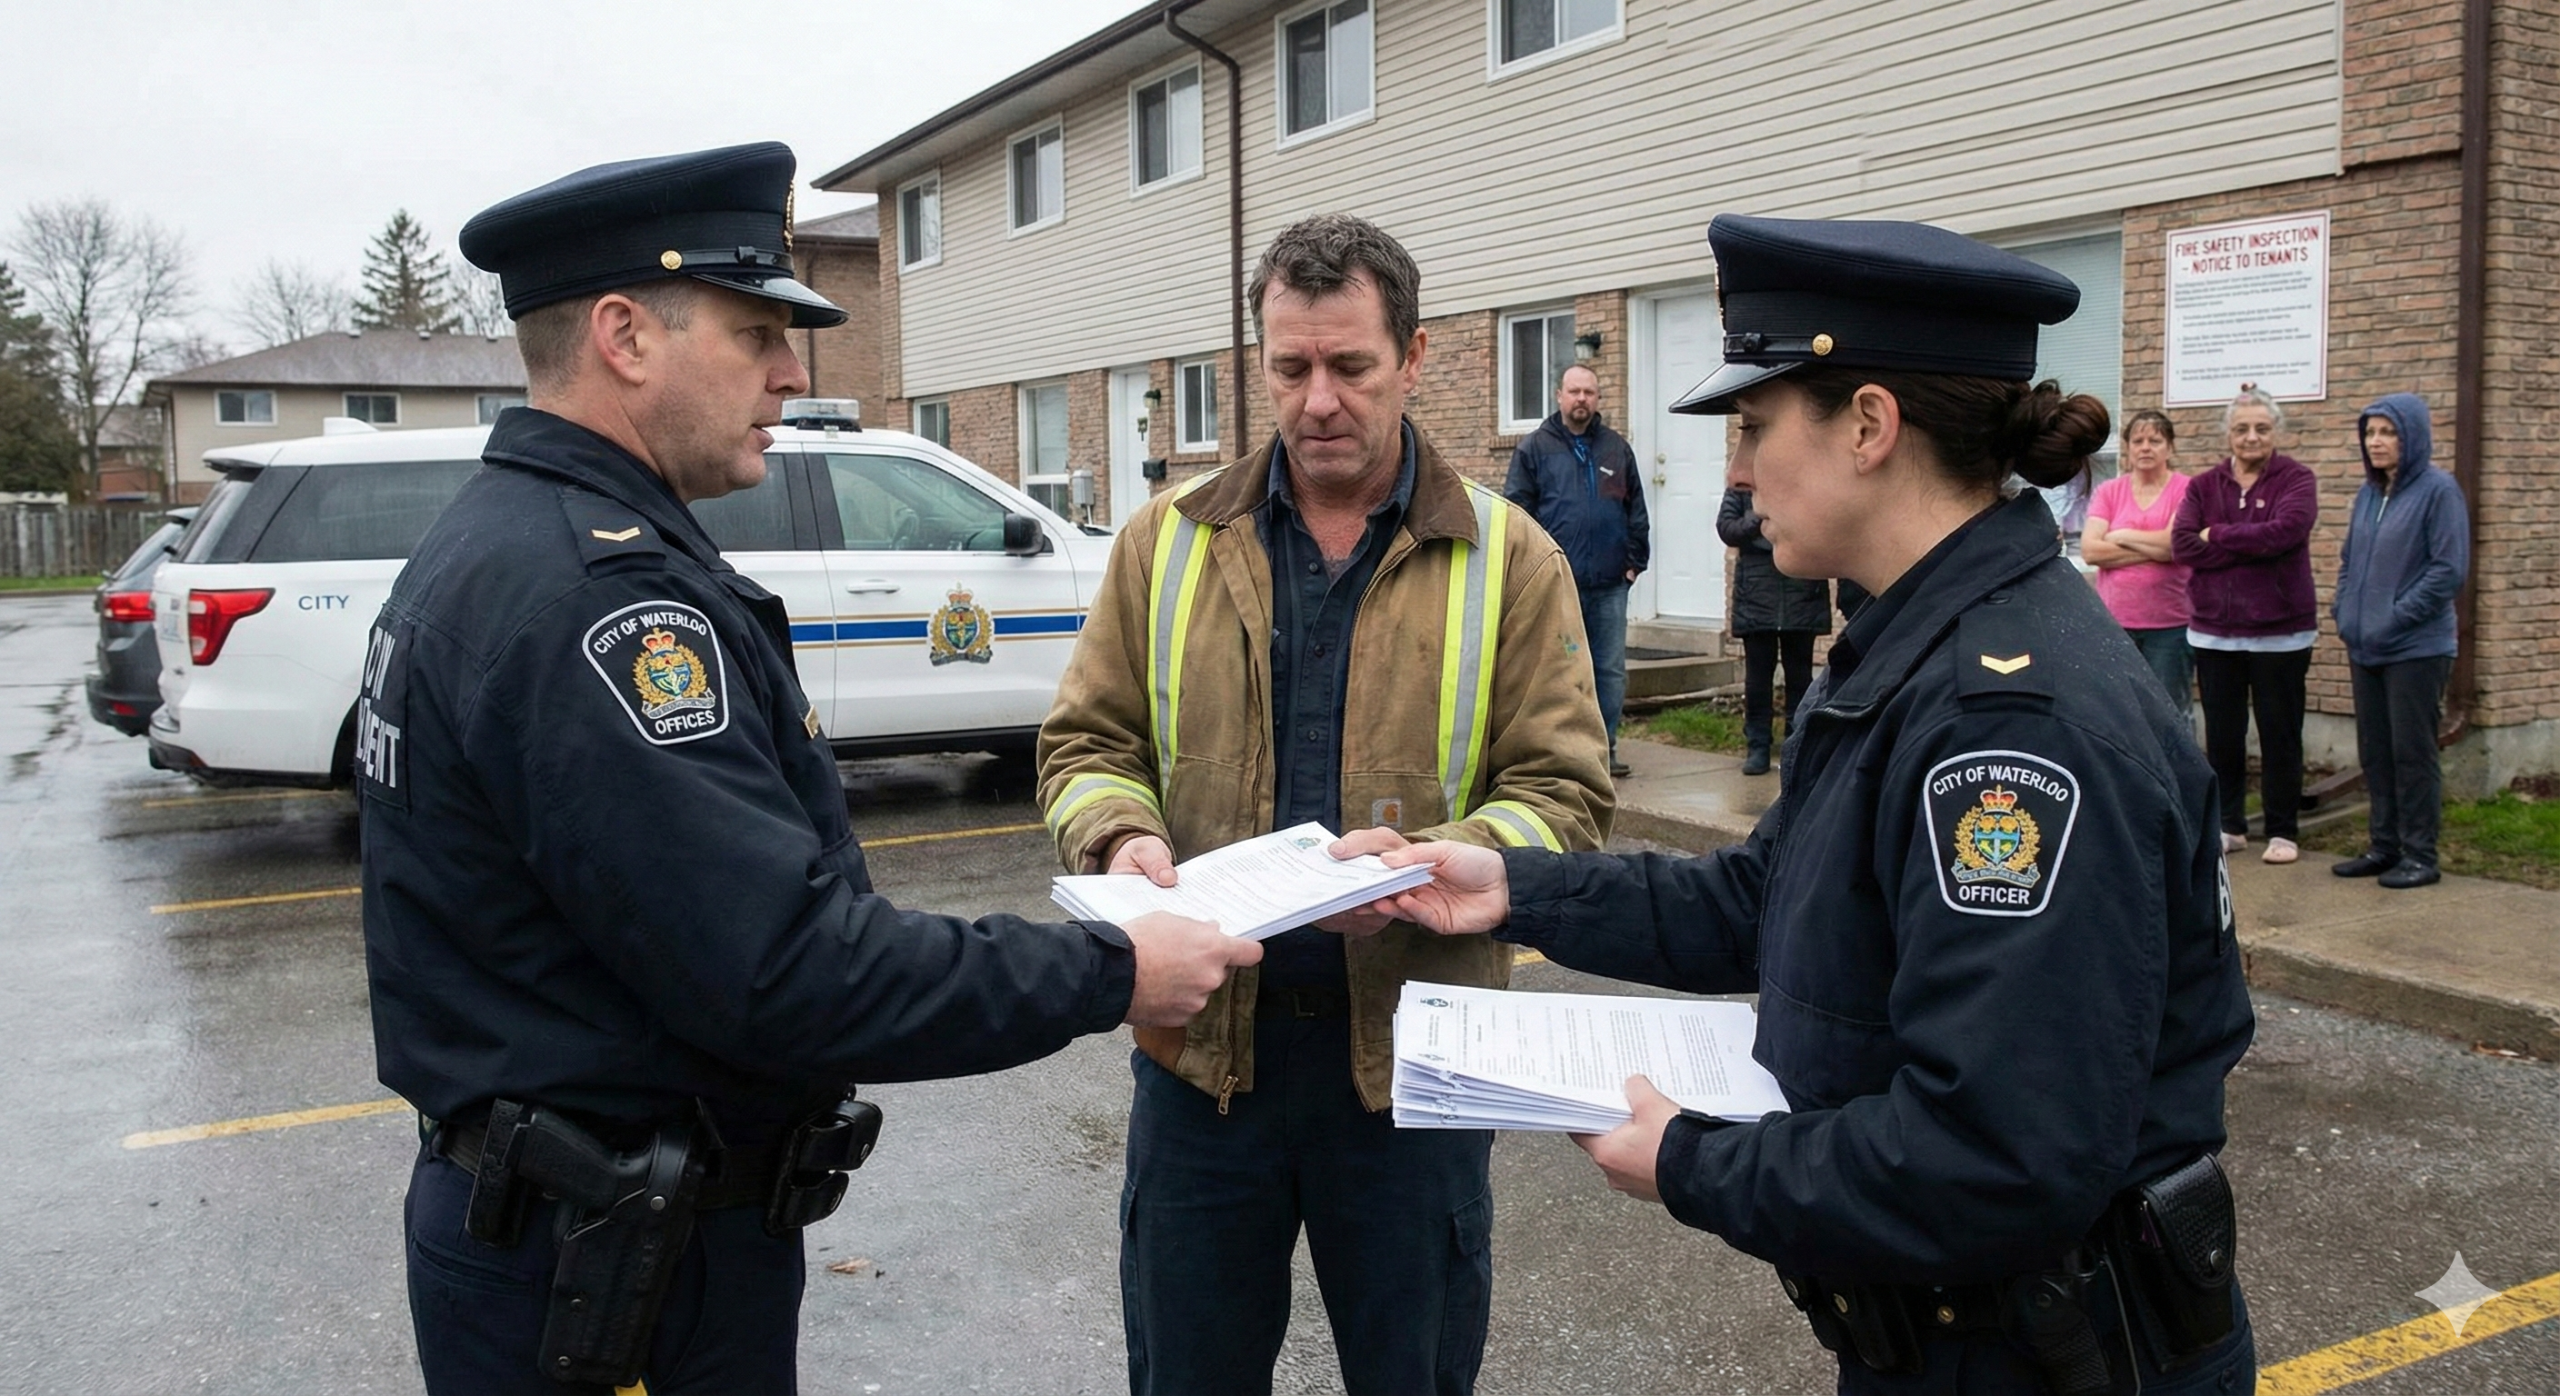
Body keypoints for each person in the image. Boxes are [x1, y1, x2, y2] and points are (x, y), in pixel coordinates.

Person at [361, 143, 1258, 1396]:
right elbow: (785, 969)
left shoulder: (507, 538)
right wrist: (1112, 969)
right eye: (755, 333)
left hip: (578, 1232)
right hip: (609, 1273)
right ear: (624, 335)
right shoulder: (595, 598)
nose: (792, 371)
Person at [1345, 214, 2257, 1395]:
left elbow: (1991, 1153)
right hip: (1963, 1336)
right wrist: (1513, 887)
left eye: (1755, 426)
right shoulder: (1916, 643)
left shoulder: (2007, 724)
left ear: (1869, 425)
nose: (1736, 471)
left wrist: (1692, 1161)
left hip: (2051, 1358)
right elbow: (1762, 896)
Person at [1037, 214, 1612, 1396]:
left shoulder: (1512, 558)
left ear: (1413, 356)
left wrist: (1428, 863)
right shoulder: (1165, 542)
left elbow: (1562, 795)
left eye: (1350, 365)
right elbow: (1087, 744)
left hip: (1413, 1065)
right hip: (1201, 1061)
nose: (1318, 401)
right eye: (1289, 366)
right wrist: (1120, 833)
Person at [2174, 386, 2321, 865]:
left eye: (2261, 428)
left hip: (2281, 633)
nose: (2251, 436)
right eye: (2241, 428)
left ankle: (2282, 830)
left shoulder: (2297, 480)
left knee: (2280, 734)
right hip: (2215, 632)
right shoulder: (2203, 486)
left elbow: (2285, 533)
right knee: (2223, 736)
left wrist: (2216, 534)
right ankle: (2229, 825)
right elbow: (2183, 545)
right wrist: (2249, 544)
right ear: (2228, 434)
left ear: (2276, 431)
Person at [2332, 392, 2469, 889]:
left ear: (2412, 437)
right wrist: (2345, 611)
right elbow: (2349, 561)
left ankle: (2420, 854)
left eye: (2388, 432)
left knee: (2412, 754)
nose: (2377, 441)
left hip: (2417, 649)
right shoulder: (2370, 494)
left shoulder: (2438, 491)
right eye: (2370, 432)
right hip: (2365, 646)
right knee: (2376, 752)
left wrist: (2393, 617)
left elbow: (2447, 570)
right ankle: (2384, 846)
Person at [1506, 361, 1651, 777]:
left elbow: (1636, 510)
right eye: (1574, 391)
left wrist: (1633, 563)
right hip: (1557, 585)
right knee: (1559, 672)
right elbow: (1517, 513)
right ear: (1559, 396)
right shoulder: (1535, 449)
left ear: (1598, 398)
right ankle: (1562, 754)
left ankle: (1604, 751)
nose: (1581, 399)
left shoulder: (1616, 450)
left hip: (1609, 585)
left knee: (1609, 671)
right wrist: (1532, 570)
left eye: (1589, 392)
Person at [2080, 409, 2194, 715]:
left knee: (2170, 712)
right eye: (2138, 441)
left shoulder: (2186, 489)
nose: (2145, 447)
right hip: (2116, 624)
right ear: (2128, 447)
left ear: (2170, 448)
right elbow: (2091, 551)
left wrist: (2120, 535)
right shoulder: (2109, 491)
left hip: (2170, 627)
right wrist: (2156, 549)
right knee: (2120, 711)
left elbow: (2174, 545)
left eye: (2155, 441)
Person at [1716, 486, 1831, 774]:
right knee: (1758, 678)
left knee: (1800, 676)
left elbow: (1821, 524)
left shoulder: (1804, 481)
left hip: (1801, 591)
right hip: (1757, 594)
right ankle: (1758, 746)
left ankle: (1798, 743)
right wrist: (1761, 515)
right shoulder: (1743, 487)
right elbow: (1728, 529)